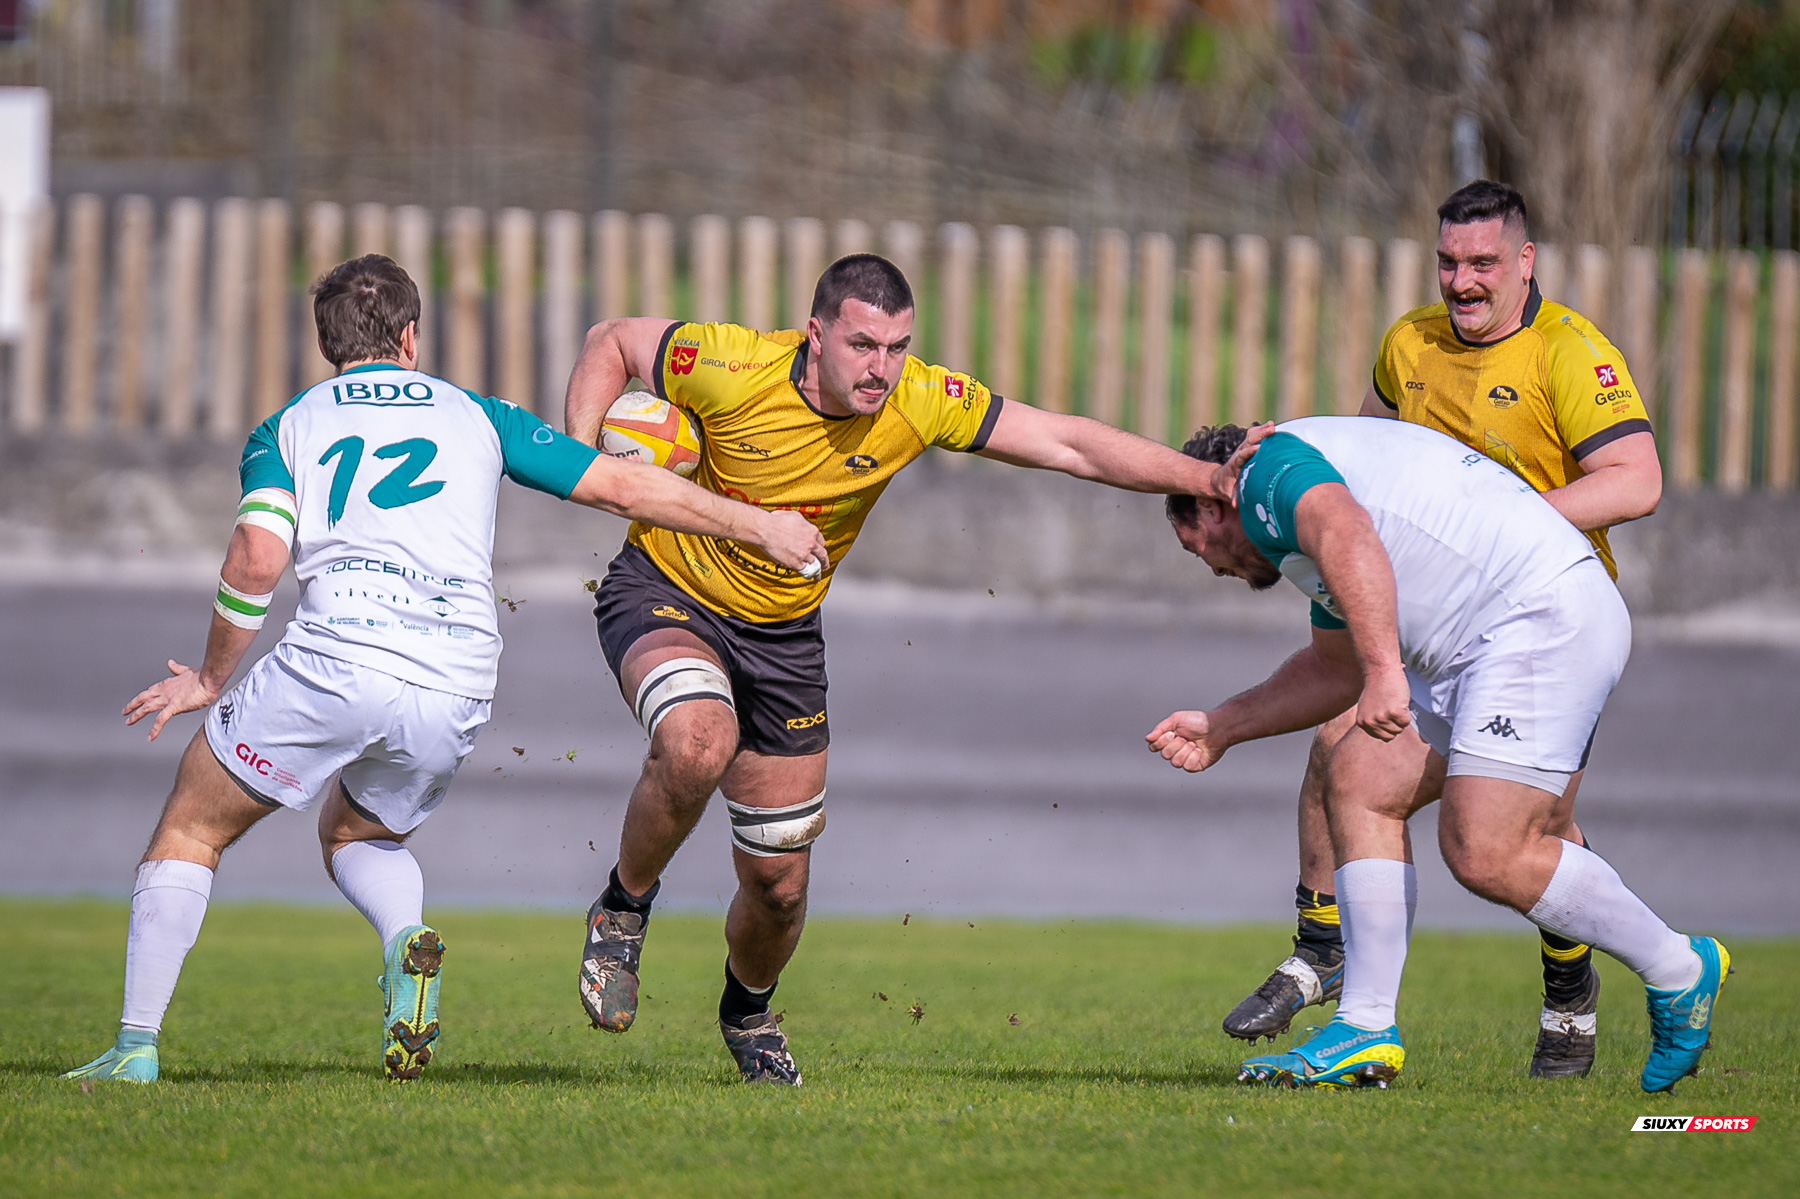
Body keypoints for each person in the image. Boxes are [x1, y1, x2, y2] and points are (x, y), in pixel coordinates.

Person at [63, 255, 826, 1084]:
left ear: (328, 345)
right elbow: (621, 489)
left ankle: (134, 1047)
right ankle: (404, 944)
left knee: (191, 827)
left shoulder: (286, 426)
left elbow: (256, 552)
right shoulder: (478, 415)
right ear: (411, 337)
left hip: (339, 653)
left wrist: (210, 678)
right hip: (455, 669)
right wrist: (759, 526)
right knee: (361, 831)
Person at [562, 253, 1262, 1085]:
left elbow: (1067, 443)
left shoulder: (920, 398)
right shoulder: (727, 361)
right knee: (697, 740)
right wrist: (587, 460)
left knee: (780, 885)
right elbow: (611, 339)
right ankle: (624, 907)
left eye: (896, 347)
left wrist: (1202, 476)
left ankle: (747, 1011)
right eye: (862, 345)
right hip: (667, 590)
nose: (880, 368)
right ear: (816, 335)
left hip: (783, 638)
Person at [1221, 180, 1662, 1080]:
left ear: (1525, 262)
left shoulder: (1570, 355)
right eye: (1449, 262)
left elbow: (1636, 478)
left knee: (1527, 829)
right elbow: (1370, 466)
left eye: (1484, 263)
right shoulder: (1409, 342)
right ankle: (1324, 955)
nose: (1463, 282)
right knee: (1340, 747)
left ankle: (1573, 997)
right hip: (1430, 622)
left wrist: (1514, 520)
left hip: (1540, 623)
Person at [1150, 417, 1724, 1093]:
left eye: (1200, 546)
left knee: (1485, 850)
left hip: (1536, 621)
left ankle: (1679, 966)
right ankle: (1363, 1026)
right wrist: (1222, 726)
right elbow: (1336, 669)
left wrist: (1387, 673)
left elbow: (1351, 543)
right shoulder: (1299, 505)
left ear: (1216, 502)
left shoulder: (1274, 481)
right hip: (1487, 637)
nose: (1214, 564)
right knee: (1360, 778)